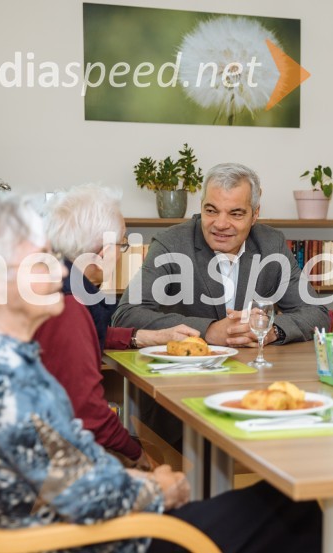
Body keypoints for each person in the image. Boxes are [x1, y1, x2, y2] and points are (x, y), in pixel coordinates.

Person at [0, 189, 322, 553]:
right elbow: (78, 494)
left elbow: (58, 456)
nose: (59, 272)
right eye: (39, 264)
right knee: (295, 510)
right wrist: (156, 489)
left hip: (64, 524)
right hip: (85, 540)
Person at [35, 183, 199, 468]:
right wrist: (137, 456)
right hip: (43, 460)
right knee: (167, 468)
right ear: (102, 251)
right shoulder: (68, 306)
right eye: (122, 245)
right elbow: (89, 415)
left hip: (22, 440)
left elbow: (75, 339)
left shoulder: (48, 279)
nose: (122, 253)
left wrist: (145, 337)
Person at [112, 162, 329, 346]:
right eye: (211, 210)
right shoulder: (171, 243)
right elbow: (126, 314)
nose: (221, 224)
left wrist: (273, 331)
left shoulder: (272, 244)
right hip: (185, 372)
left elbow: (316, 313)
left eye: (235, 213)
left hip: (253, 374)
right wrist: (209, 330)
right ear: (201, 206)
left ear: (255, 215)